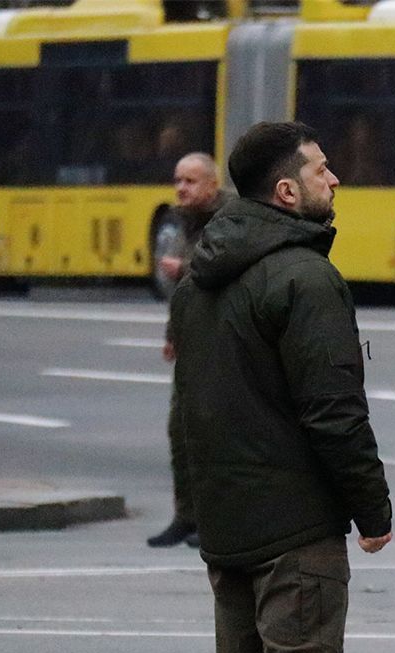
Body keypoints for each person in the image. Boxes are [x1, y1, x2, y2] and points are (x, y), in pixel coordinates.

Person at [171, 121, 392, 653]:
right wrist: (372, 509)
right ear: (287, 192)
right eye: (321, 169)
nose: (335, 179)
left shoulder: (196, 283)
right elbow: (334, 412)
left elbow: (195, 414)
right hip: (296, 537)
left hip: (228, 533)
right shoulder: (306, 279)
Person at [147, 152, 232, 549]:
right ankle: (186, 515)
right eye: (178, 180)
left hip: (221, 342)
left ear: (212, 186)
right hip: (192, 340)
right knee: (180, 430)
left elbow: (221, 268)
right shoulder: (186, 220)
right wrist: (172, 333)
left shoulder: (229, 219)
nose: (181, 188)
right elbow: (185, 294)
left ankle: (216, 520)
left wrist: (182, 268)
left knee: (213, 434)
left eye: (191, 181)